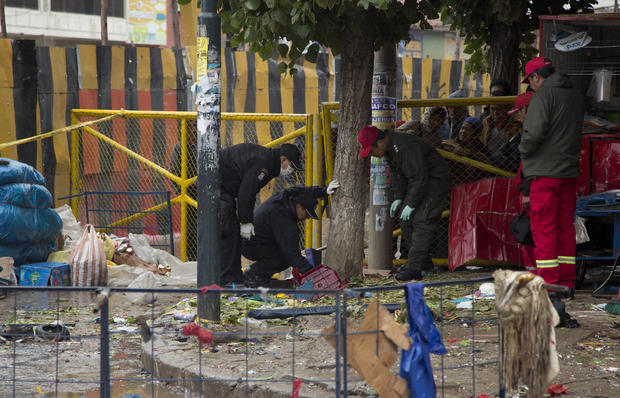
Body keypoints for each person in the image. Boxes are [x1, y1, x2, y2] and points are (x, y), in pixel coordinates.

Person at [520, 57, 584, 327]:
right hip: (569, 174)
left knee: (544, 230)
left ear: (536, 77)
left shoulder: (543, 98)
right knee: (564, 229)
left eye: (530, 83)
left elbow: (533, 136)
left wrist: (523, 151)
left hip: (545, 175)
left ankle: (549, 291)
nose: (531, 88)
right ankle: (565, 286)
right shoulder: (575, 96)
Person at [358, 126, 451, 280]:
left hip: (435, 182)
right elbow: (398, 175)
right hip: (420, 183)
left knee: (422, 220)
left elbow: (420, 176)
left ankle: (414, 268)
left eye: (372, 150)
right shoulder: (390, 149)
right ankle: (423, 263)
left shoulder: (404, 146)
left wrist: (411, 203)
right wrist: (399, 198)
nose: (372, 155)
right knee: (404, 220)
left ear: (380, 143)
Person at [219, 142, 303, 286]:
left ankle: (233, 280)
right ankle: (227, 281)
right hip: (218, 185)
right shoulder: (264, 164)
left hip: (223, 187)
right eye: (291, 166)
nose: (291, 170)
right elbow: (246, 193)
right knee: (228, 233)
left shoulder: (268, 161)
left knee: (232, 235)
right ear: (283, 159)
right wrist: (246, 222)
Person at [241, 181, 340, 287]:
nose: (307, 217)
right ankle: (253, 275)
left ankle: (259, 276)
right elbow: (292, 254)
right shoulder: (283, 218)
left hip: (256, 240)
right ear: (298, 207)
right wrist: (314, 275)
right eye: (307, 213)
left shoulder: (284, 198)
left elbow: (298, 190)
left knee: (286, 256)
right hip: (250, 245)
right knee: (285, 258)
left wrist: (323, 191)